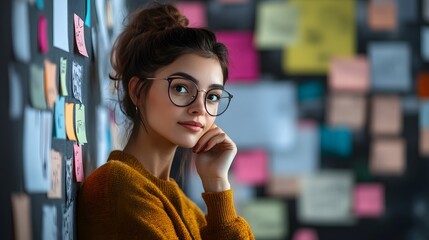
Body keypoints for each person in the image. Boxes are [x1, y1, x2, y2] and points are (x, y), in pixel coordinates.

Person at [77, 2, 255, 239]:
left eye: (212, 96)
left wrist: (217, 182)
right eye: (181, 88)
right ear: (139, 91)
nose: (200, 109)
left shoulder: (188, 209)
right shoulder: (119, 185)